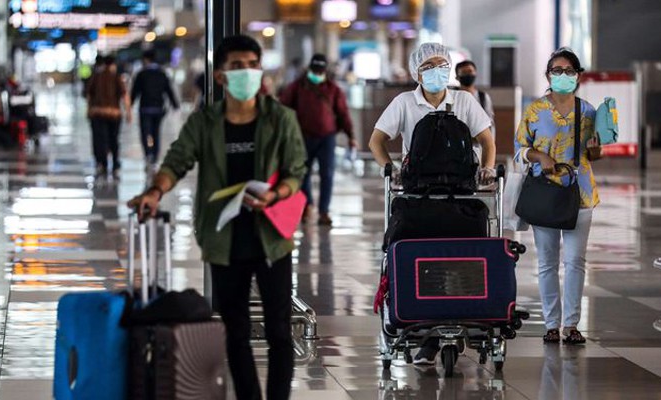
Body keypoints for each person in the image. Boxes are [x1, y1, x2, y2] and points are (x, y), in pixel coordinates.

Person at [127, 35, 306, 400]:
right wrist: (155, 191)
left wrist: (276, 194)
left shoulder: (280, 118)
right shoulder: (206, 122)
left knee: (279, 331)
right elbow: (178, 159)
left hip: (271, 234)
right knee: (236, 331)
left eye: (252, 65)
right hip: (225, 238)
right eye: (237, 66)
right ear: (220, 76)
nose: (246, 72)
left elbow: (296, 169)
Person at [368, 43, 497, 365]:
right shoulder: (404, 103)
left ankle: (450, 327)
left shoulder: (464, 101)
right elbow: (376, 140)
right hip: (419, 191)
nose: (436, 71)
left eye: (442, 64)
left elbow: (487, 140)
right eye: (429, 66)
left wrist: (487, 168)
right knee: (423, 258)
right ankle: (426, 330)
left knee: (459, 257)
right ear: (416, 72)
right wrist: (391, 168)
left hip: (461, 191)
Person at [514, 47, 601, 345]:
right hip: (545, 193)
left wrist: (595, 146)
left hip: (581, 195)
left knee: (576, 261)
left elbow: (595, 154)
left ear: (578, 76)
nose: (562, 76)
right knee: (547, 262)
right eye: (556, 70)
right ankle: (551, 324)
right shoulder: (535, 110)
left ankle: (572, 324)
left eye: (568, 71)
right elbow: (519, 150)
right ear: (548, 75)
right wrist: (537, 155)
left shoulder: (588, 111)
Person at [280, 54, 355, 226]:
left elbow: (343, 114)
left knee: (327, 174)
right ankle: (307, 206)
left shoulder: (333, 89)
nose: (317, 73)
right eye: (315, 70)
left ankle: (324, 211)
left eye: (320, 70)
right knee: (302, 174)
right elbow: (284, 110)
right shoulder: (297, 87)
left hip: (327, 138)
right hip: (302, 138)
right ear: (309, 69)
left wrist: (351, 136)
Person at [131, 50, 180, 167]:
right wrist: (175, 104)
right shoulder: (162, 73)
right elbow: (168, 90)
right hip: (158, 108)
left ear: (145, 59)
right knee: (156, 132)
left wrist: (130, 104)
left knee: (145, 133)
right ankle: (155, 155)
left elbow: (135, 91)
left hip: (145, 108)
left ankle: (148, 153)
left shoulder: (141, 74)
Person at [86, 55, 131, 177]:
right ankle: (115, 163)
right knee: (114, 139)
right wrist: (128, 112)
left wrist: (89, 110)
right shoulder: (116, 77)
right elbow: (124, 95)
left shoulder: (96, 77)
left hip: (98, 113)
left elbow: (89, 96)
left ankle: (103, 163)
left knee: (101, 139)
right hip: (114, 114)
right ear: (112, 64)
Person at [455, 60, 495, 136]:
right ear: (457, 77)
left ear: (475, 73)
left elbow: (490, 123)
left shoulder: (483, 97)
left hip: (479, 145)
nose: (468, 75)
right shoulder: (453, 97)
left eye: (470, 71)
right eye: (464, 72)